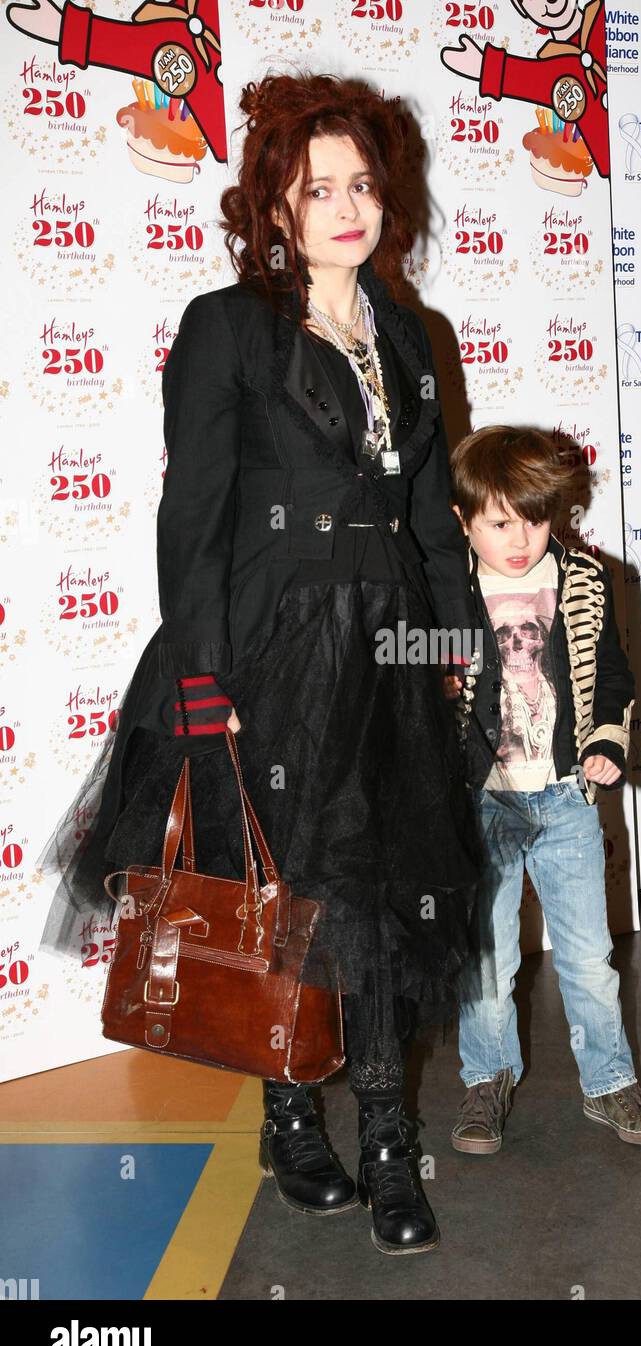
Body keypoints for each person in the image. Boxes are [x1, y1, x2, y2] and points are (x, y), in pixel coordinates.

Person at [35, 71, 484, 1256]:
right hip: (268, 656)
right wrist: (200, 673)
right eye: (316, 187)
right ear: (273, 208)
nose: (347, 206)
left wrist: (457, 655)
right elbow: (195, 517)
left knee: (382, 905)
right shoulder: (228, 327)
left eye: (363, 184)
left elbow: (431, 518)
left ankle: (392, 1144)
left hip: (389, 661)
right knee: (280, 903)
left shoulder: (413, 334)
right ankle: (292, 1123)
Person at [444, 425, 641, 1153]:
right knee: (486, 957)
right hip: (483, 801)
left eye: (535, 519)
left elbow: (614, 676)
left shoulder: (583, 578)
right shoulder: (443, 585)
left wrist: (605, 741)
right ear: (462, 519)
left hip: (566, 798)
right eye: (499, 524)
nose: (519, 540)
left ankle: (608, 1082)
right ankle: (486, 1080)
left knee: (586, 954)